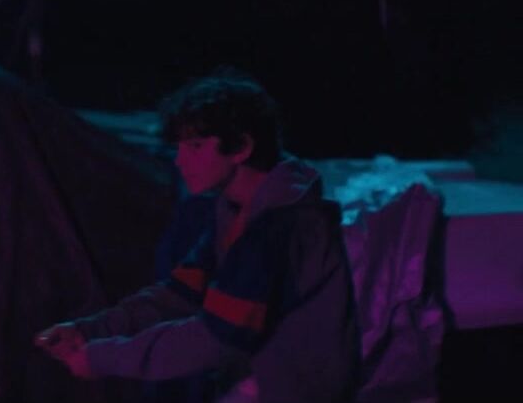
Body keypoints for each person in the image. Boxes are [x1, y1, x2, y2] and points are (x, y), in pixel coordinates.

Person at [35, 70, 360, 403]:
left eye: (195, 146)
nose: (180, 160)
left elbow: (215, 338)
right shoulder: (234, 209)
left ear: (242, 147)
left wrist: (102, 357)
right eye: (179, 147)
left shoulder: (281, 223)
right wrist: (88, 331)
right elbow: (181, 293)